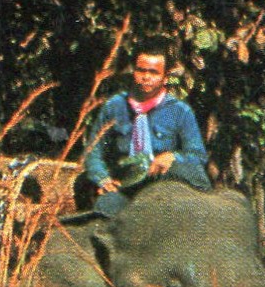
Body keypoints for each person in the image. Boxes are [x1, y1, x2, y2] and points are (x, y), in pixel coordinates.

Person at [83, 45, 211, 217]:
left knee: (190, 175)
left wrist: (173, 157)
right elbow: (93, 151)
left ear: (165, 77)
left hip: (163, 182)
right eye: (141, 71)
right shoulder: (114, 106)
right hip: (127, 185)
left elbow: (197, 155)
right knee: (105, 208)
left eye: (154, 72)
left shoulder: (180, 111)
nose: (146, 77)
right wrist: (102, 179)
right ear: (133, 71)